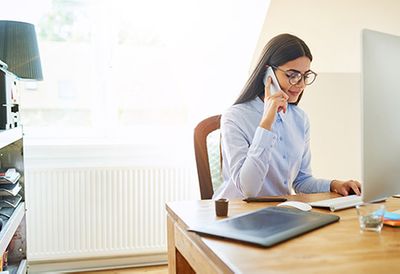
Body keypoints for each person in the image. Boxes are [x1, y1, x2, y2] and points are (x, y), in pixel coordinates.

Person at [213, 33, 361, 199]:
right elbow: (248, 189)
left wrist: (335, 185)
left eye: (305, 76)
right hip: (236, 214)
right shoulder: (234, 117)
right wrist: (267, 122)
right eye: (292, 75)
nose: (301, 84)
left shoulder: (300, 119)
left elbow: (302, 181)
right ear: (267, 72)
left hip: (279, 213)